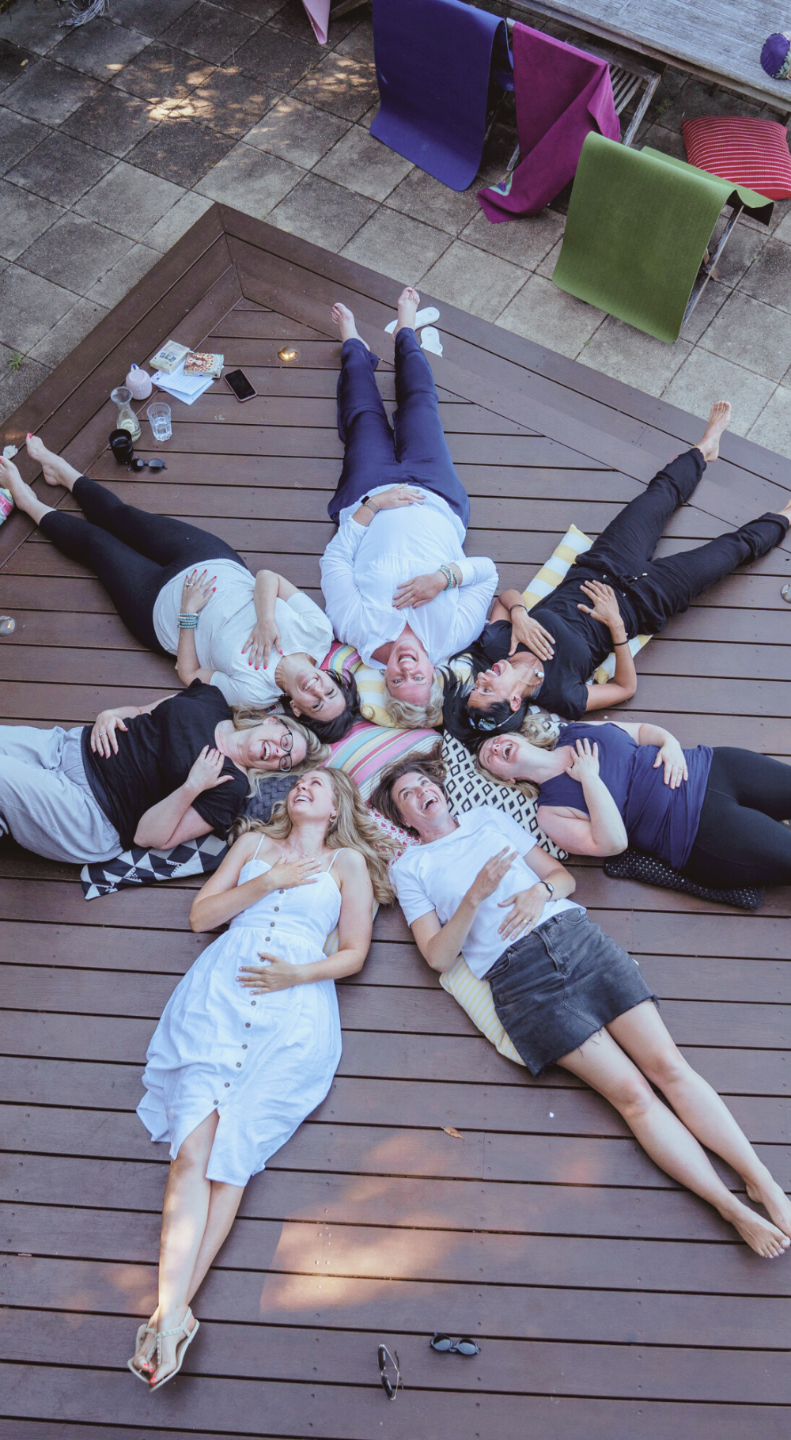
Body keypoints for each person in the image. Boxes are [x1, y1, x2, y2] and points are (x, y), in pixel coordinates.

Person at [371, 749, 791, 1259]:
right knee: (634, 1096)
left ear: (441, 787)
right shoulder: (411, 866)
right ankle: (730, 1207)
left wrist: (539, 893)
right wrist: (475, 898)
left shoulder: (488, 819)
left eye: (422, 784)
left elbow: (563, 878)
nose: (421, 794)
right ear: (404, 819)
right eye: (406, 796)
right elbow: (438, 956)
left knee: (670, 1067)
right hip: (523, 983)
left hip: (575, 938)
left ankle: (761, 1181)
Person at [128, 767, 396, 1389]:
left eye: (319, 787)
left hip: (291, 1012)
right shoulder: (251, 846)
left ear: (335, 810)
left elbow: (354, 953)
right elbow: (201, 916)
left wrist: (295, 975)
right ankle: (172, 1319)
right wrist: (270, 881)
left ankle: (166, 1322)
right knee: (191, 1152)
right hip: (219, 996)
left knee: (230, 1157)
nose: (303, 789)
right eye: (298, 783)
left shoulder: (348, 865)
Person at [441, 401, 791, 743]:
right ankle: (787, 515)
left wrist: (518, 614)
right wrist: (616, 625)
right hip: (645, 600)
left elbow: (505, 597)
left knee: (659, 495)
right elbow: (626, 688)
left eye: (477, 685)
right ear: (514, 701)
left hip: (604, 562)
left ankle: (705, 447)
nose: (483, 677)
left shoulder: (496, 646)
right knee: (731, 552)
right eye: (487, 689)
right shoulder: (561, 696)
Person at [0, 440, 359, 744]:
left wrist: (188, 612)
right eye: (328, 691)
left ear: (296, 708)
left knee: (96, 543)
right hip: (209, 560)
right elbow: (268, 577)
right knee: (122, 516)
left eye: (314, 703)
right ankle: (60, 471)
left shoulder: (254, 693)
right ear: (331, 678)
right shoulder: (317, 633)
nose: (316, 689)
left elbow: (189, 675)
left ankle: (27, 500)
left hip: (160, 609)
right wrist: (266, 621)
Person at [319, 287, 498, 728]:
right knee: (420, 404)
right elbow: (488, 573)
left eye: (399, 680)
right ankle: (405, 330)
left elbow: (336, 559)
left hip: (370, 493)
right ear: (433, 675)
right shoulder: (455, 634)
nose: (405, 668)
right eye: (418, 675)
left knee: (364, 416)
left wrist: (375, 505)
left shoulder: (357, 632)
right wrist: (445, 578)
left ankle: (353, 344)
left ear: (386, 683)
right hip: (436, 494)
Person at [0, 679, 325, 864]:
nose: (278, 752)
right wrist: (109, 714)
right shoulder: (211, 699)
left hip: (89, 812)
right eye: (285, 741)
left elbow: (147, 837)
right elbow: (141, 712)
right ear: (272, 721)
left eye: (285, 761)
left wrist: (191, 787)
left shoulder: (230, 786)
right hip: (65, 746)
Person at [477, 717, 791, 890]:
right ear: (508, 781)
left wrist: (670, 743)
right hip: (700, 830)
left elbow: (641, 731)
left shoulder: (573, 730)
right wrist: (590, 779)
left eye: (495, 741)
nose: (494, 748)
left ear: (518, 737)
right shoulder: (550, 813)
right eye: (489, 758)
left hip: (714, 768)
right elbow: (613, 843)